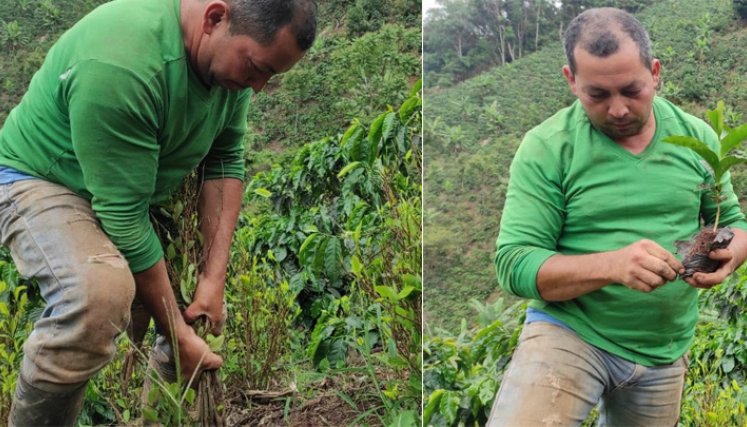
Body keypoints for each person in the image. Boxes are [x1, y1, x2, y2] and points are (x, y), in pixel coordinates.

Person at [0, 0, 317, 425]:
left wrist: (212, 279)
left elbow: (224, 160)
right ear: (215, 18)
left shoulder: (228, 71)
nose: (257, 88)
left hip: (132, 185)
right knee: (98, 298)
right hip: (41, 177)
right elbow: (124, 218)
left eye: (270, 76)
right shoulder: (122, 64)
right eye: (256, 69)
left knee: (193, 302)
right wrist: (175, 331)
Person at [489, 7, 747, 426]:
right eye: (598, 95)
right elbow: (515, 263)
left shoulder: (696, 137)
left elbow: (734, 221)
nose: (619, 110)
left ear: (656, 72)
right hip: (569, 332)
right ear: (571, 81)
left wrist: (730, 256)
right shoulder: (547, 147)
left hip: (664, 348)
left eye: (632, 90)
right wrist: (611, 265)